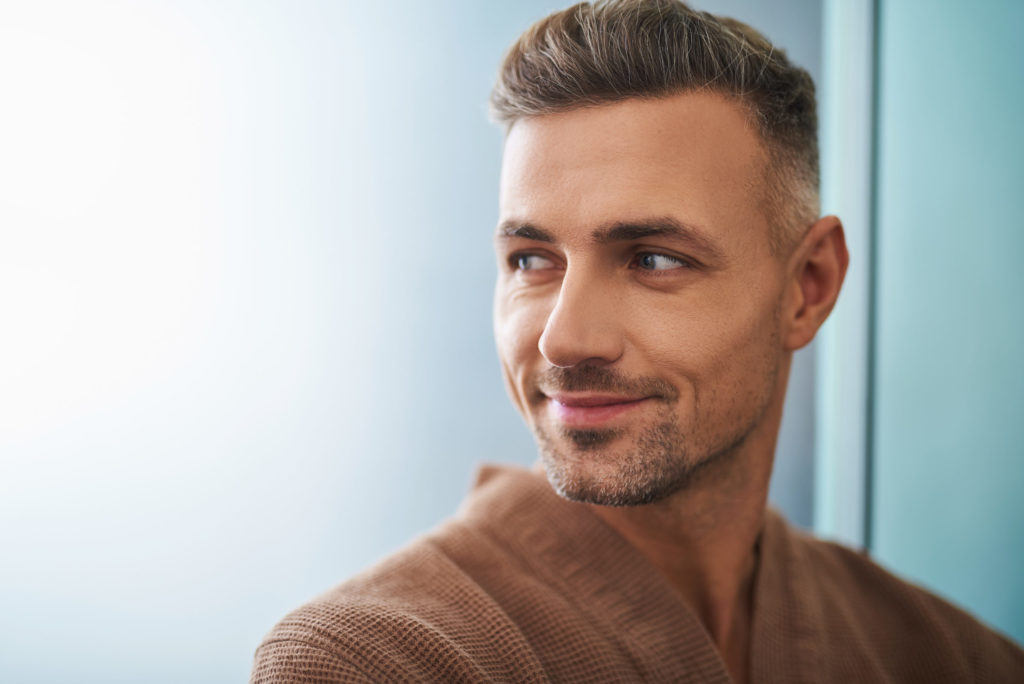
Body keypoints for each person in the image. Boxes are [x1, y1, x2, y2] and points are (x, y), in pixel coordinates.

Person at [251, 1, 1024, 681]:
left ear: (808, 284)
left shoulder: (956, 659)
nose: (563, 339)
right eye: (531, 260)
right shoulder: (372, 663)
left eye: (653, 259)